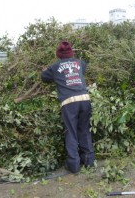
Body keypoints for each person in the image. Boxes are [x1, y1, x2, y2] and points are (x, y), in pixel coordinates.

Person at [41, 41, 95, 174]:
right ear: (71, 53)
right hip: (84, 99)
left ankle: (74, 165)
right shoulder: (79, 63)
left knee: (71, 133)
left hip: (69, 102)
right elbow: (84, 66)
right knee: (84, 131)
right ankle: (89, 162)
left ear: (58, 54)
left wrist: (44, 71)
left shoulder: (54, 67)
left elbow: (44, 78)